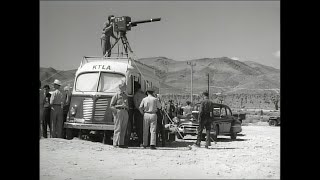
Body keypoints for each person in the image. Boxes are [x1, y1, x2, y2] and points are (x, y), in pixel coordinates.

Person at [110, 82, 129, 148]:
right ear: (120, 87)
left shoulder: (125, 95)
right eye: (124, 86)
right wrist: (116, 111)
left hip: (125, 111)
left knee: (123, 128)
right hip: (119, 111)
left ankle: (121, 143)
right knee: (118, 127)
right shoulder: (116, 95)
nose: (125, 88)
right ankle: (115, 143)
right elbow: (111, 105)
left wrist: (126, 107)